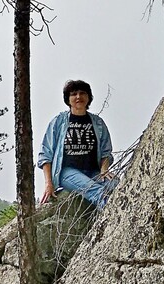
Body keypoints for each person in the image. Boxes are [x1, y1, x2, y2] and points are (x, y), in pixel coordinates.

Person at [38, 79, 114, 209]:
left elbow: (106, 151)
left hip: (93, 171)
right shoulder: (59, 122)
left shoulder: (97, 123)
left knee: (117, 186)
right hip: (68, 172)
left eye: (82, 93)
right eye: (73, 94)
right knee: (98, 192)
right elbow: (46, 154)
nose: (78, 97)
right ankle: (113, 216)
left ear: (88, 97)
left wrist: (104, 169)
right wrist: (48, 183)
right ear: (68, 99)